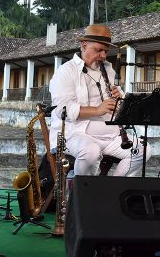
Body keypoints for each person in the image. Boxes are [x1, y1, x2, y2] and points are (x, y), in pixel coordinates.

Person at [48, 24, 150, 176]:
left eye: (106, 51)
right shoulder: (65, 71)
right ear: (84, 46)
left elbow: (116, 102)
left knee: (143, 150)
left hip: (110, 136)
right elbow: (63, 110)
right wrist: (97, 110)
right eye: (99, 50)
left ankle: (114, 189)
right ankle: (84, 194)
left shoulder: (108, 69)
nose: (103, 55)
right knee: (91, 151)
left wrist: (120, 97)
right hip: (74, 134)